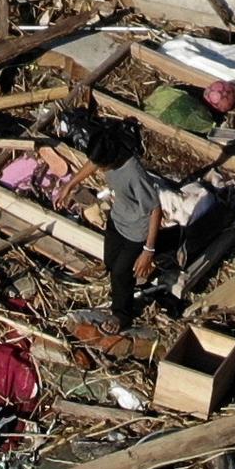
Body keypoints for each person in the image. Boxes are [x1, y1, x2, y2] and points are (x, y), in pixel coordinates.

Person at [95, 121, 159, 331]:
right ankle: (120, 289)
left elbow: (156, 210)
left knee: (121, 273)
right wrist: (70, 185)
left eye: (102, 165)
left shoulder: (134, 174)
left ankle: (122, 314)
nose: (100, 169)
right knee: (111, 262)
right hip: (117, 219)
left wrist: (148, 251)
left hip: (135, 232)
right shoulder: (107, 155)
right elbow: (93, 162)